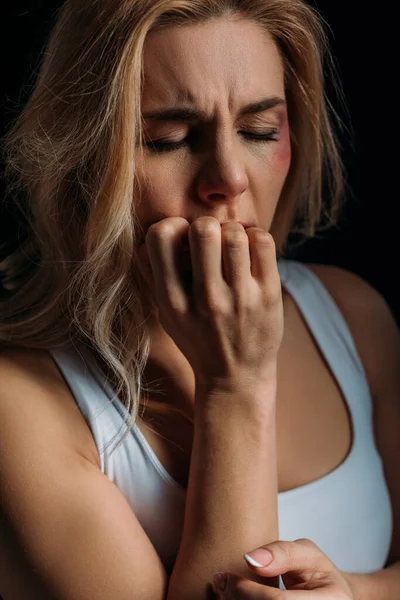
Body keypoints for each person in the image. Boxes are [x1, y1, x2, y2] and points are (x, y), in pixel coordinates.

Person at [0, 0, 399, 599]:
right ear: (83, 155)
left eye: (259, 130)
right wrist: (234, 387)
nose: (230, 178)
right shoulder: (20, 404)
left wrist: (353, 594)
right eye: (169, 140)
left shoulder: (353, 317)